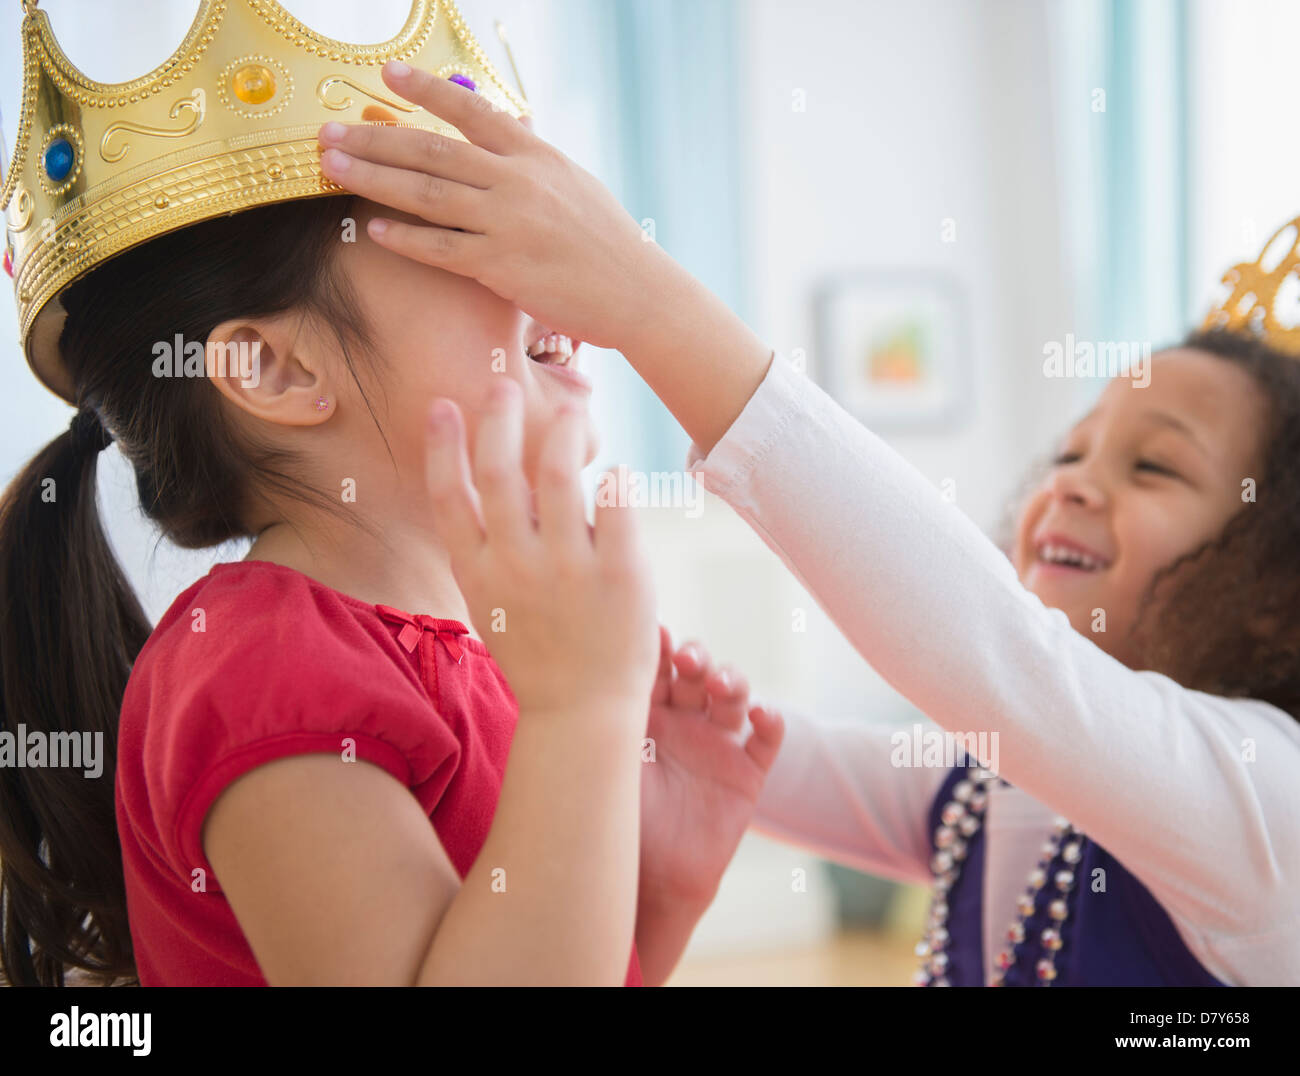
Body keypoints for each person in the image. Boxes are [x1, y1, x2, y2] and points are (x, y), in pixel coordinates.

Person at [331, 60, 1300, 985]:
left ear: (1277, 594)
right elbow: (755, 755)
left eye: (1155, 465)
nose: (1079, 484)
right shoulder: (974, 792)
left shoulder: (1265, 794)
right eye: (1072, 451)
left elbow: (998, 657)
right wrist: (576, 654)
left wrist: (638, 293)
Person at [0, 7, 783, 987]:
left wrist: (656, 891)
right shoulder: (258, 671)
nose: (557, 261)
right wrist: (585, 711)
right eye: (466, 229)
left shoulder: (480, 648)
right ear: (274, 367)